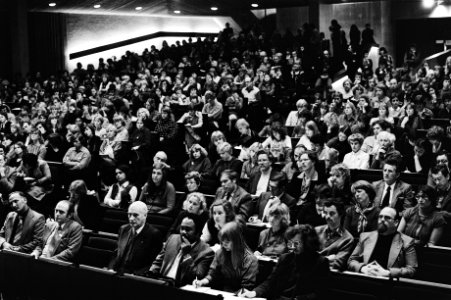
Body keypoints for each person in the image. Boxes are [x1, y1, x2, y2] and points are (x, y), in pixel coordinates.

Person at [240, 224, 330, 300]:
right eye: (290, 243)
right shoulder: (285, 258)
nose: (292, 247)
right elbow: (270, 282)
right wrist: (255, 292)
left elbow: (321, 293)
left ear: (308, 242)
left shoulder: (320, 262)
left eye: (297, 243)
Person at [347, 207, 418, 278]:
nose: (382, 220)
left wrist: (388, 273)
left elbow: (411, 270)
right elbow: (351, 261)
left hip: (389, 284)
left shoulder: (406, 242)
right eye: (380, 217)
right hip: (365, 278)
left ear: (396, 222)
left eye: (387, 218)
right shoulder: (365, 237)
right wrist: (362, 268)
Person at [148, 214, 214, 287]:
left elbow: (197, 276)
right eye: (182, 228)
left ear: (198, 232)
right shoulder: (172, 238)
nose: (183, 232)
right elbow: (158, 263)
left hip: (181, 289)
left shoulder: (206, 252)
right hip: (161, 283)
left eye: (188, 229)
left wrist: (187, 255)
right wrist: (150, 274)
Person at [194, 221, 258, 293]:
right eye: (222, 241)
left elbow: (247, 287)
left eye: (227, 242)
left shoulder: (250, 260)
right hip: (223, 293)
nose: (224, 245)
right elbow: (212, 274)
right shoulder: (220, 253)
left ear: (237, 241)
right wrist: (201, 282)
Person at [109, 201, 163, 275]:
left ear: (145, 215)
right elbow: (116, 253)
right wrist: (111, 269)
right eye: (129, 215)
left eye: (135, 215)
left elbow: (152, 263)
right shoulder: (123, 229)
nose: (131, 218)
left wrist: (135, 275)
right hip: (117, 273)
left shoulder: (154, 234)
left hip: (135, 277)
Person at [315, 200, 354, 271]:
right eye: (325, 213)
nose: (327, 217)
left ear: (340, 215)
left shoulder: (348, 239)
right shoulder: (316, 230)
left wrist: (313, 257)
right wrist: (328, 259)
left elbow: (337, 263)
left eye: (332, 213)